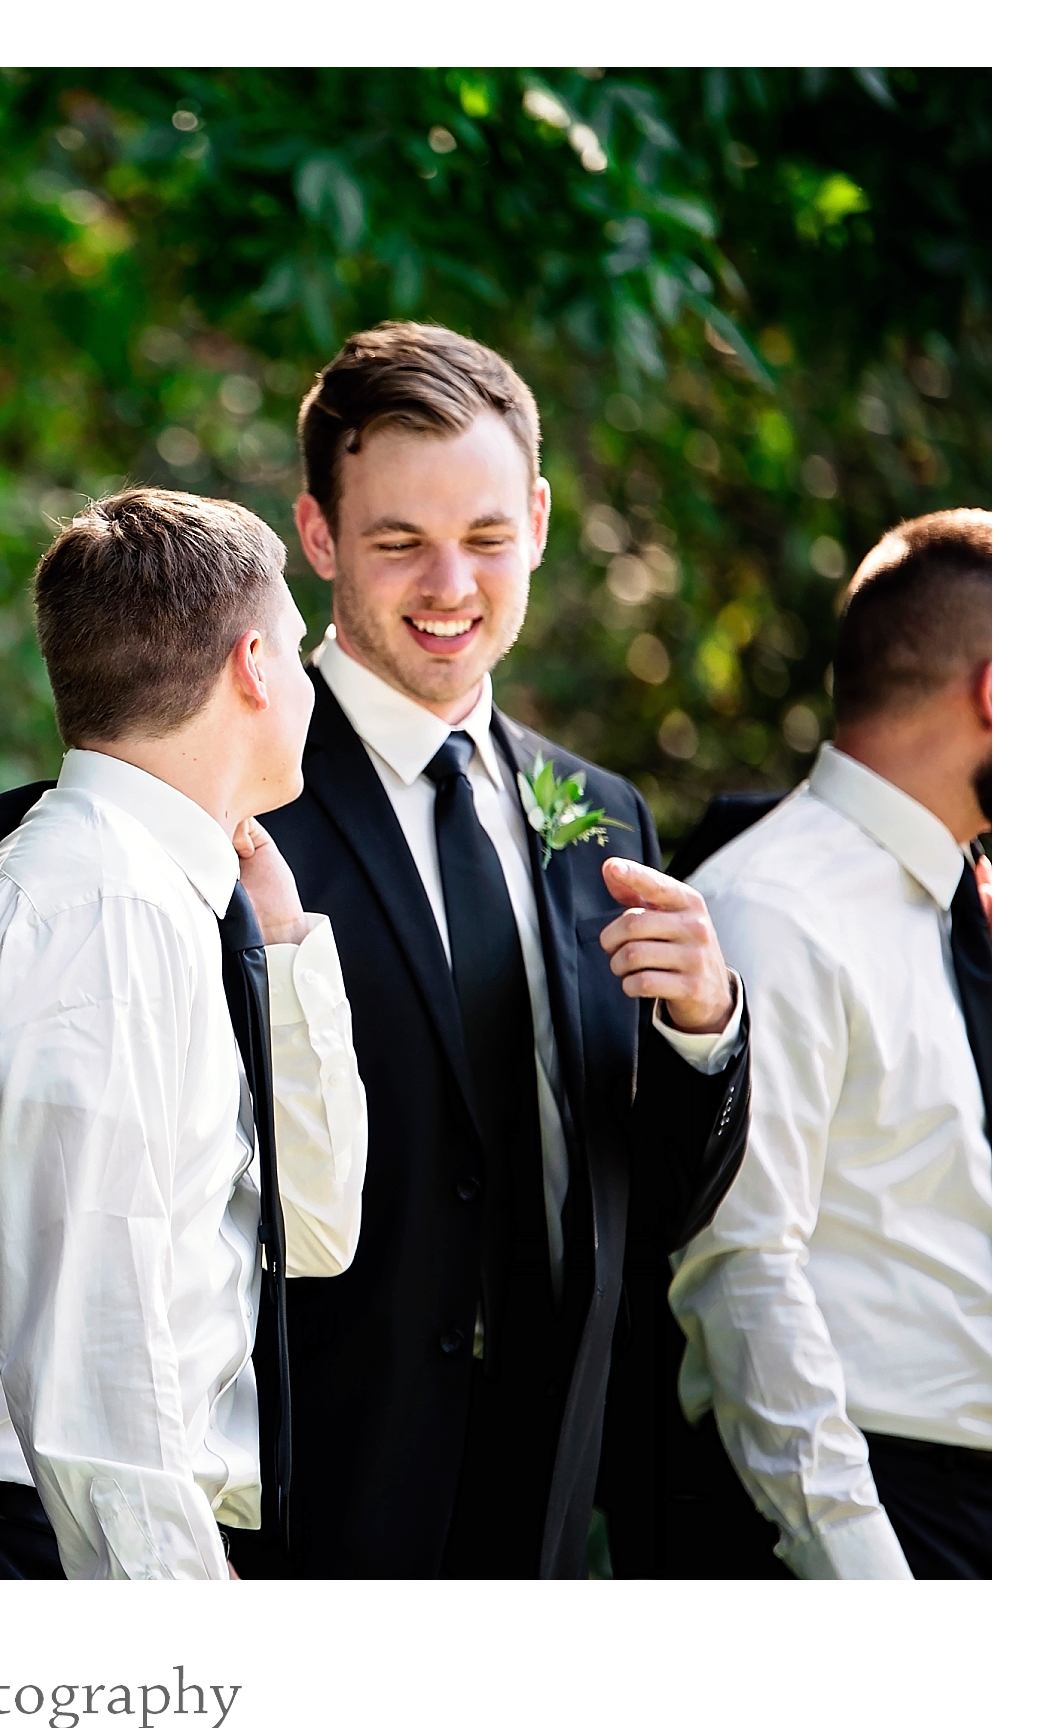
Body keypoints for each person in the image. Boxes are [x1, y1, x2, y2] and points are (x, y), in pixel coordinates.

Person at [264, 321, 750, 1578]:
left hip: (545, 1499)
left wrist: (705, 1035)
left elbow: (655, 1199)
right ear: (318, 537)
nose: (451, 587)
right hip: (313, 1493)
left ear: (536, 519)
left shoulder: (606, 818)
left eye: (485, 539)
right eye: (398, 544)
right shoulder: (237, 801)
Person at [0, 488, 367, 1581]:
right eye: (300, 655)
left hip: (110, 1531)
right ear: (256, 667)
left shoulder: (181, 898)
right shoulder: (97, 907)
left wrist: (288, 946)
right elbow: (92, 1353)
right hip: (53, 1544)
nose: (306, 686)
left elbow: (314, 1232)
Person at [669, 510, 992, 1579]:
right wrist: (863, 1573)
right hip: (878, 1510)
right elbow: (745, 1271)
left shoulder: (972, 906)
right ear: (999, 694)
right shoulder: (774, 909)